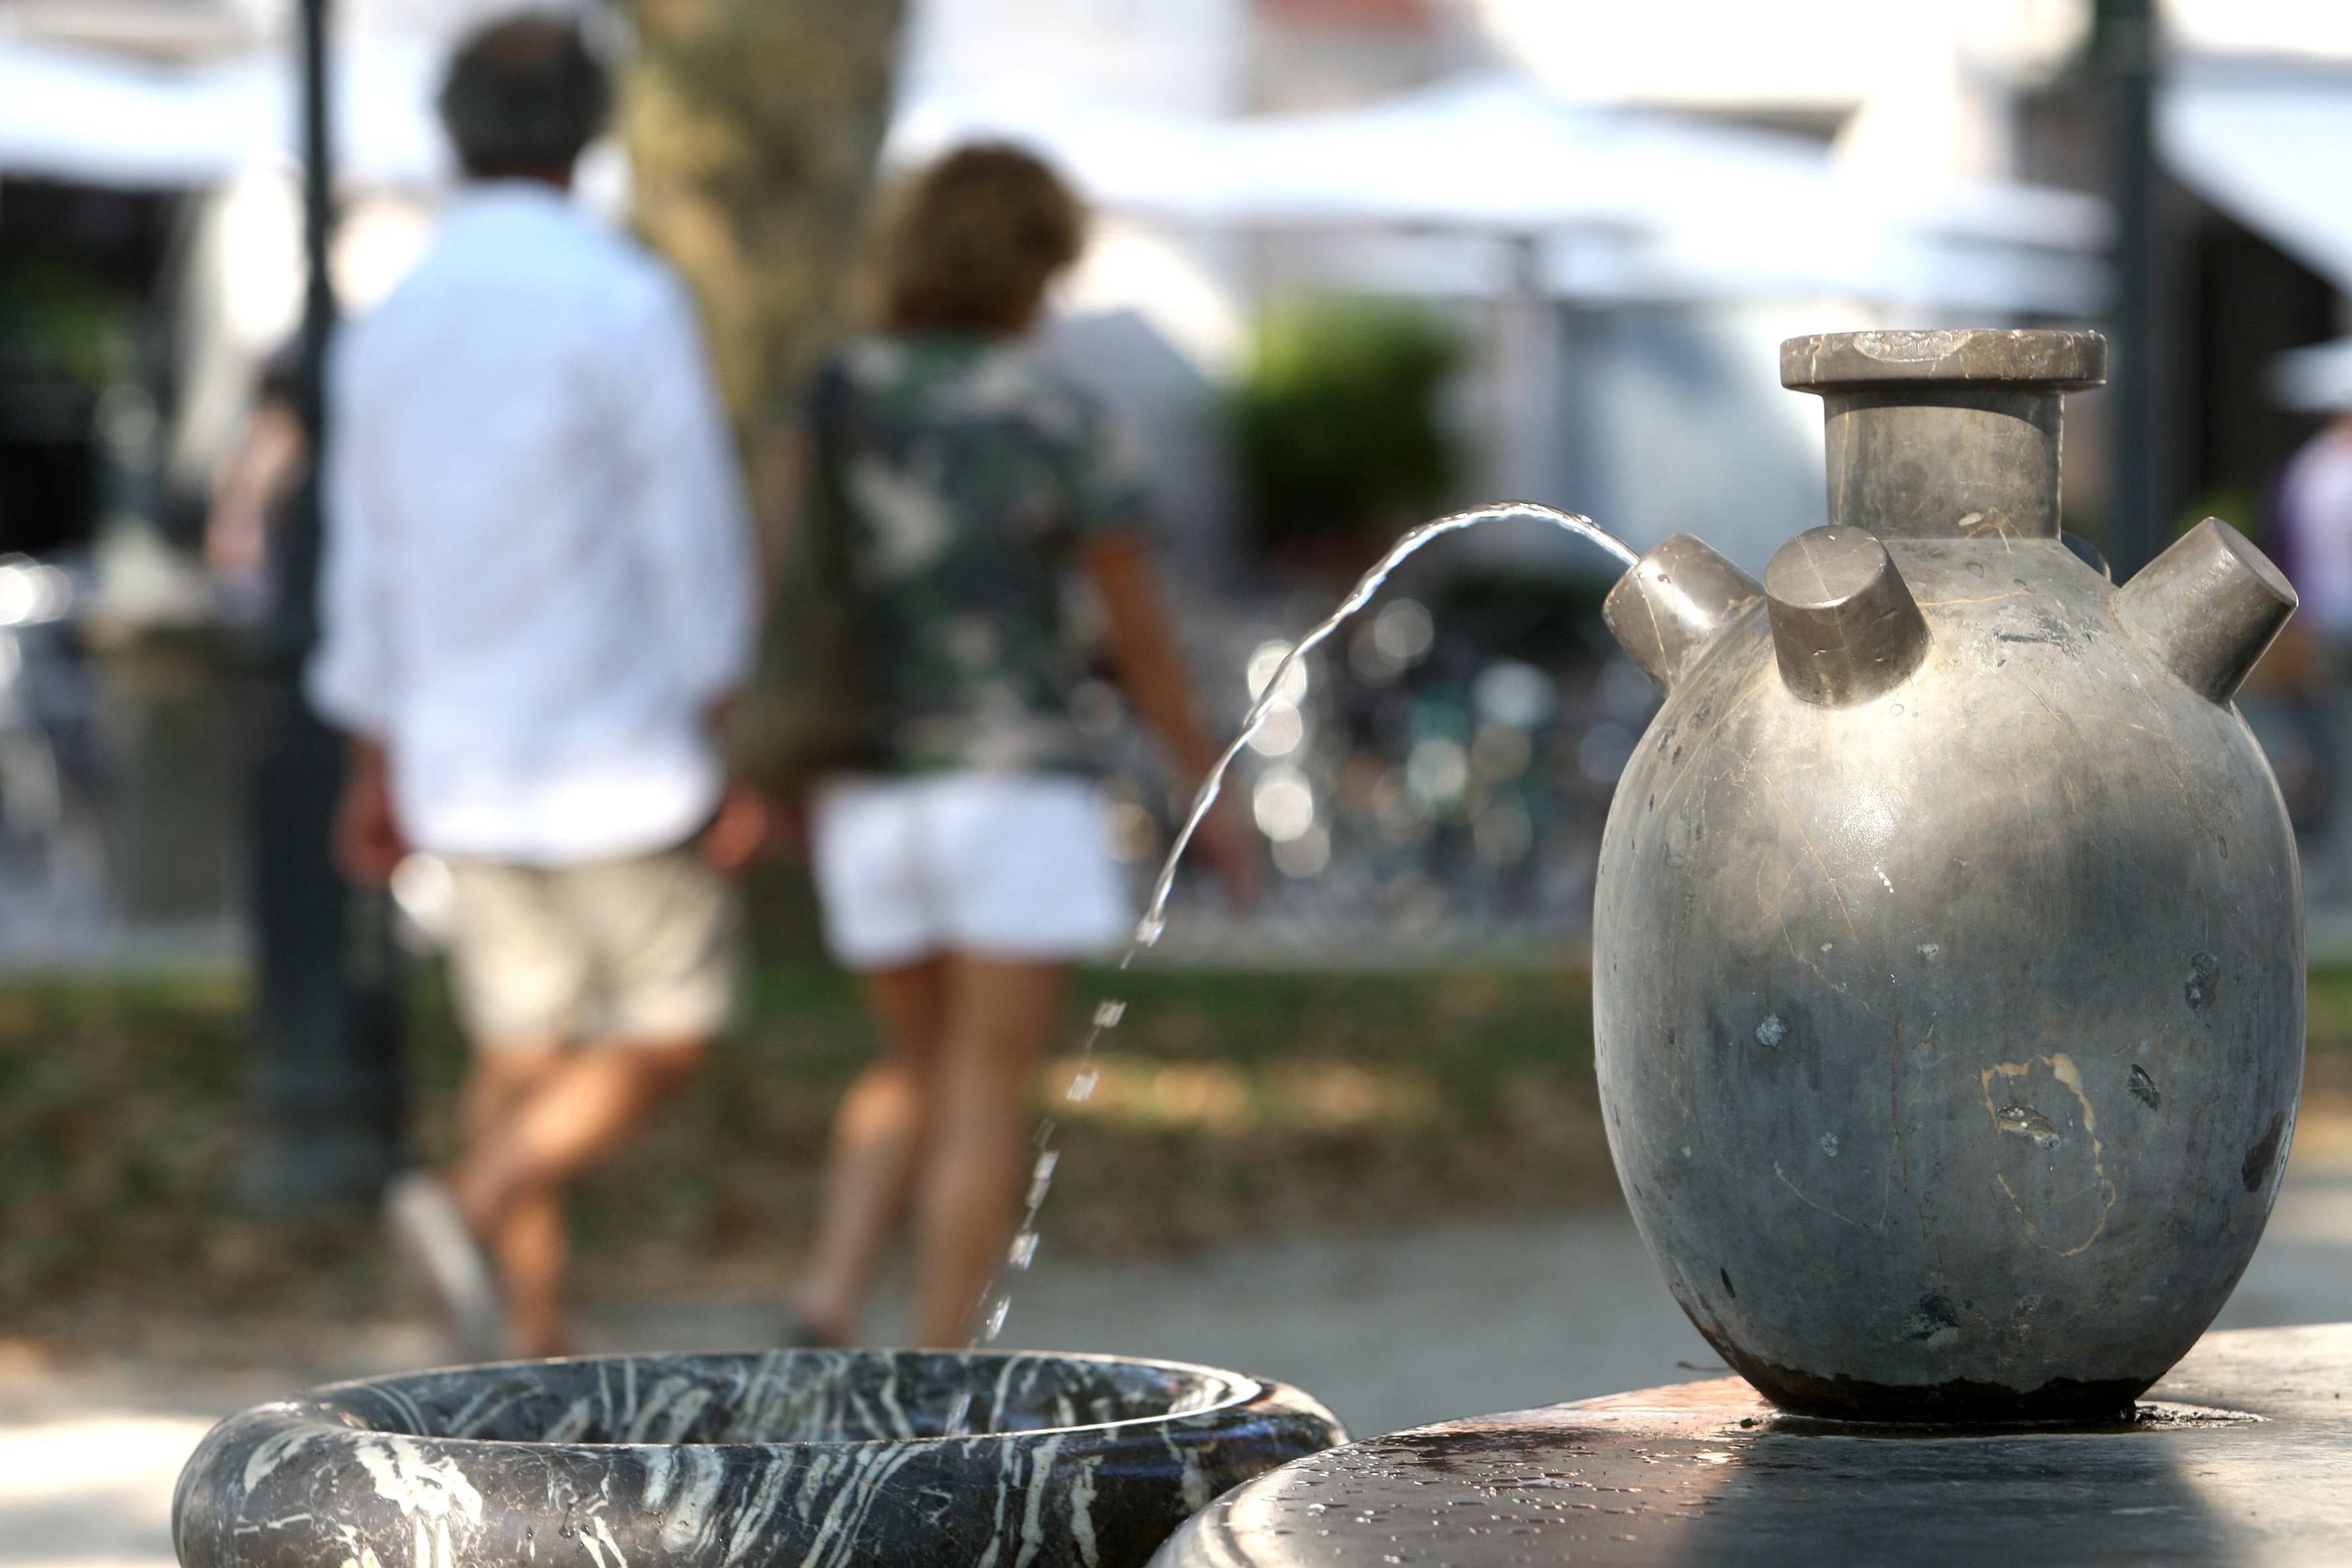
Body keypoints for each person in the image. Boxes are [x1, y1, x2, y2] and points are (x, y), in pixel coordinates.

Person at [309, 13, 764, 1360]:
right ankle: (473, 1205)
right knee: (673, 1027)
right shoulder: (623, 296)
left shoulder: (393, 317)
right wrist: (724, 721)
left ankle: (529, 1338)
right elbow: (691, 531)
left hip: (456, 748)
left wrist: (369, 759)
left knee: (517, 1051)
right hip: (619, 737)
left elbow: (363, 559)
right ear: (593, 130)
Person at [765, 145, 1257, 1350]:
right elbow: (1140, 644)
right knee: (987, 1082)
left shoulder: (832, 395)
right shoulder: (1058, 415)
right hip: (1012, 785)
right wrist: (1214, 792)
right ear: (1037, 264)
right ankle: (939, 1366)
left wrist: (764, 766)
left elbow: (782, 589)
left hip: (864, 784)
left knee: (910, 1057)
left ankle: (830, 1283)